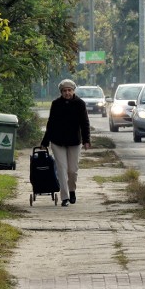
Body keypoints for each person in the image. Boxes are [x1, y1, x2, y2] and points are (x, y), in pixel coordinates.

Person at [41, 79, 91, 207]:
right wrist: (45, 141)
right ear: (61, 92)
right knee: (62, 169)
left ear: (73, 91)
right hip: (57, 141)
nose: (67, 93)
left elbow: (85, 123)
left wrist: (86, 140)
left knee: (72, 170)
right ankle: (65, 197)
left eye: (69, 90)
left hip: (74, 141)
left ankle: (72, 190)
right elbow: (51, 123)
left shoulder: (80, 104)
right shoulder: (56, 104)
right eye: (64, 91)